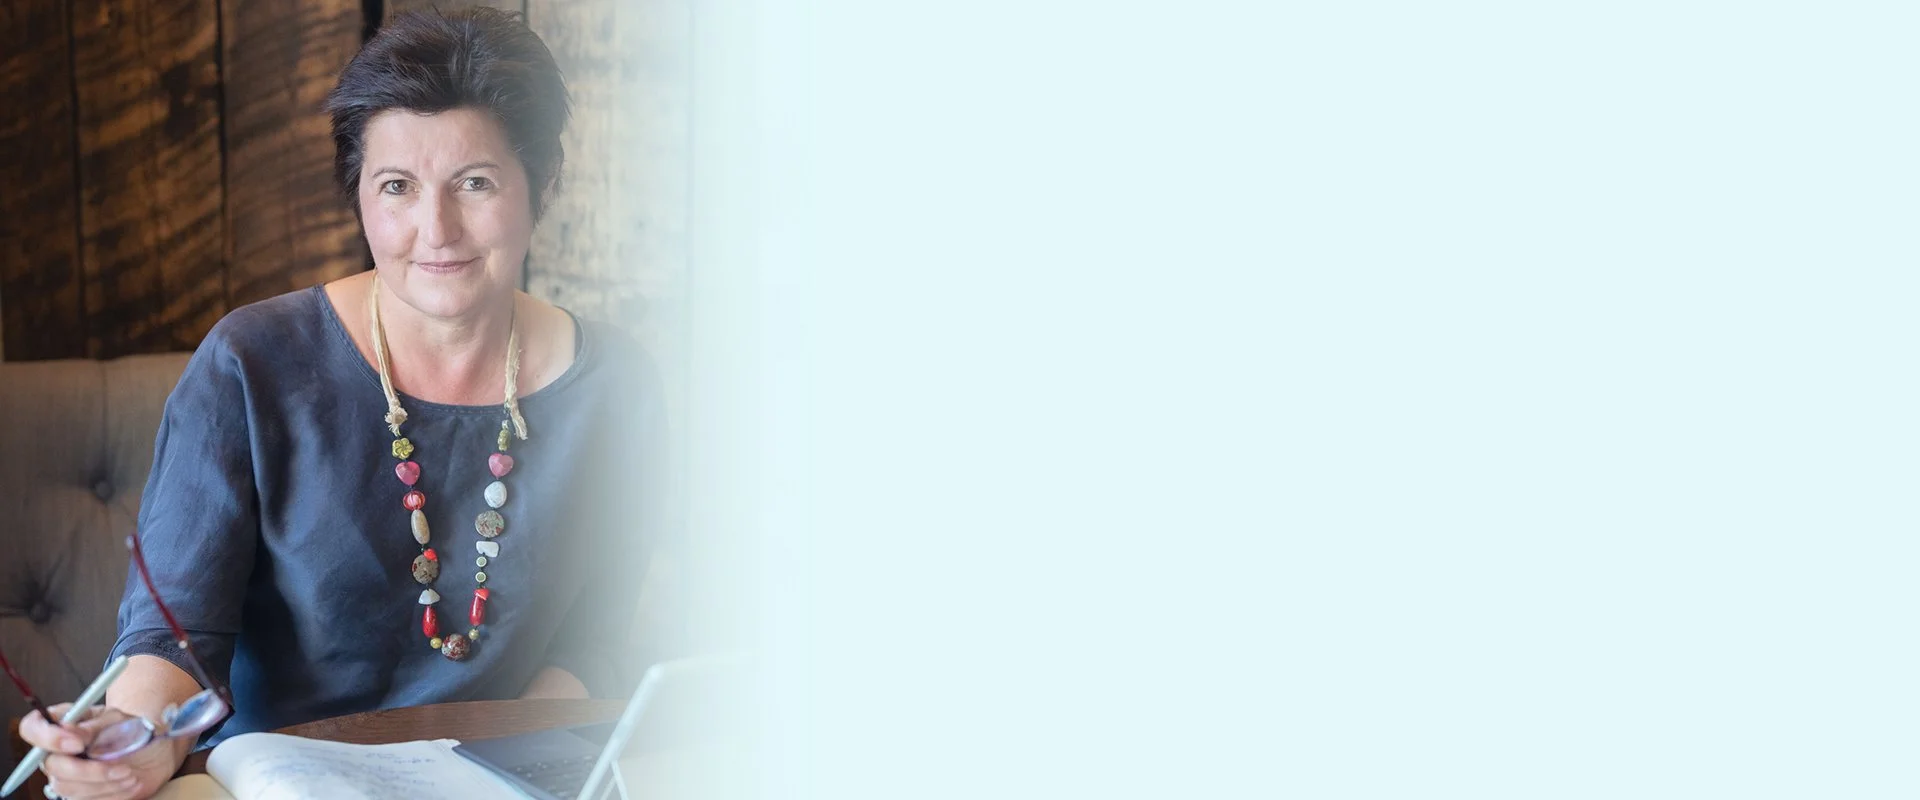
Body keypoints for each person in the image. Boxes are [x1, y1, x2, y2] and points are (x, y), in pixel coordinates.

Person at [18, 8, 664, 799]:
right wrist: (137, 742)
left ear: (543, 185)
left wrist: (513, 774)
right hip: (269, 782)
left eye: (477, 183)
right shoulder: (250, 362)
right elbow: (174, 636)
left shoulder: (618, 385)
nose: (437, 229)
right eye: (397, 187)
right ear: (357, 194)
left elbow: (592, 645)